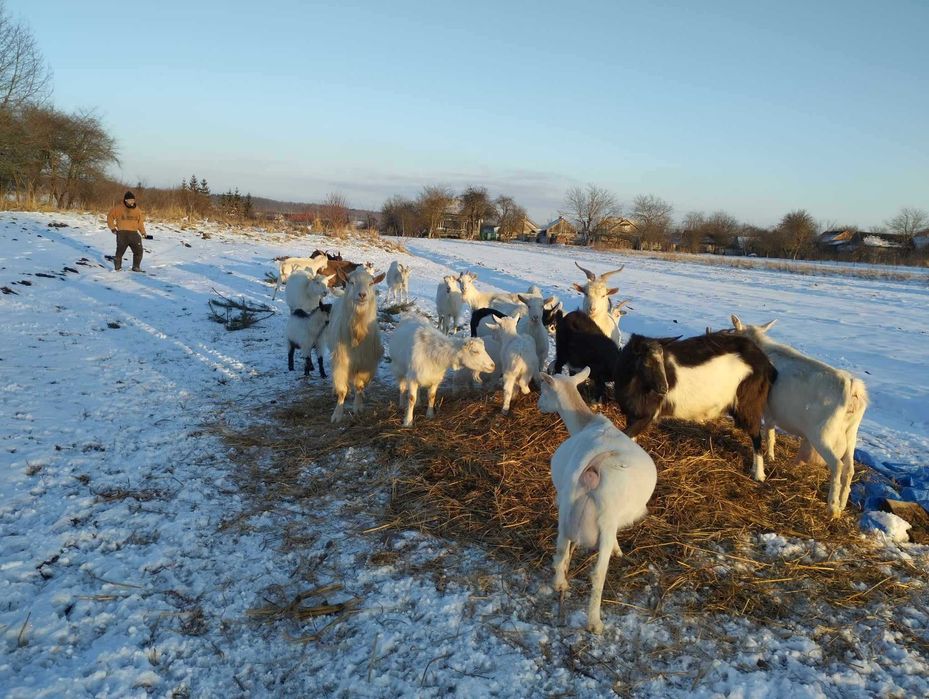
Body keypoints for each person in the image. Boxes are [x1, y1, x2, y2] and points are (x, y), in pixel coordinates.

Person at [107, 191, 147, 271]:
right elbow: (110, 217)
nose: (132, 202)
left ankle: (136, 267)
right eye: (130, 200)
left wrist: (143, 232)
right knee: (120, 252)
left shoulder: (137, 210)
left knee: (139, 251)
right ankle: (117, 268)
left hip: (134, 234)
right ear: (125, 200)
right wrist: (112, 228)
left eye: (133, 200)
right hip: (122, 234)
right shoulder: (118, 208)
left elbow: (140, 223)